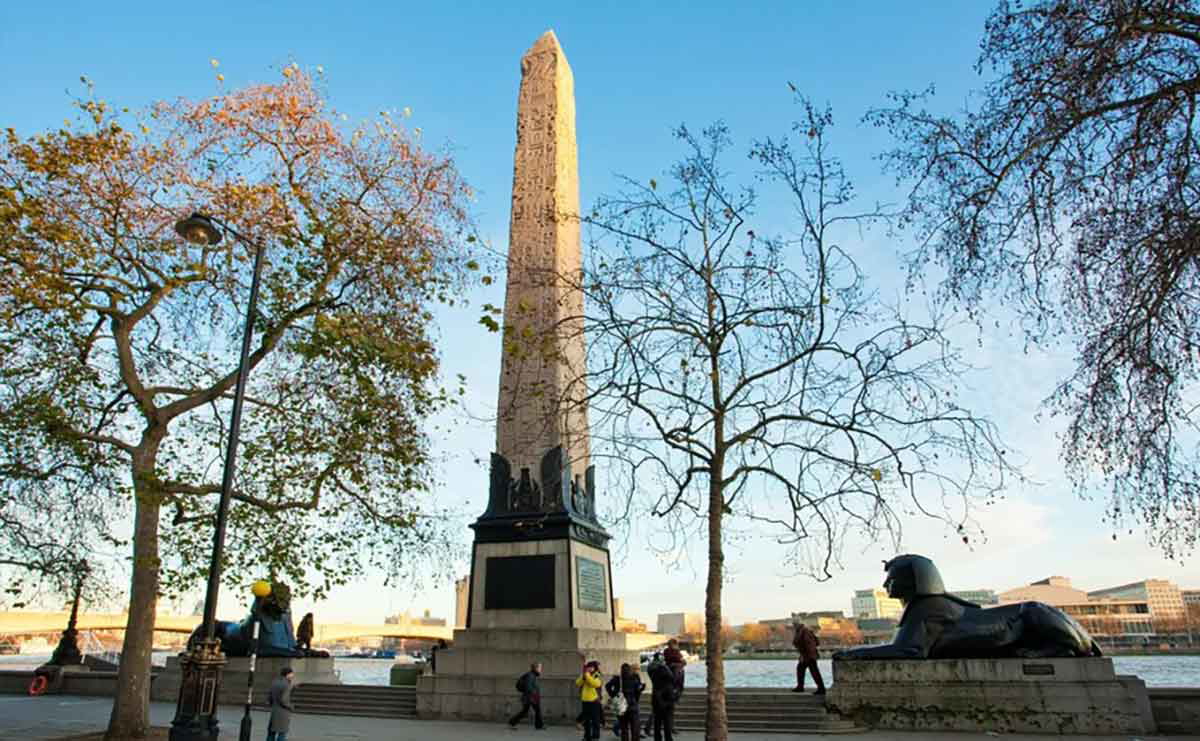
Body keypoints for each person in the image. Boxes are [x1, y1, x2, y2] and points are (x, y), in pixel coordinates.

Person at [606, 662, 645, 741]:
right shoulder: (634, 678)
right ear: (630, 670)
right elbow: (638, 691)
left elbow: (607, 686)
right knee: (635, 728)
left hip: (621, 706)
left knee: (624, 729)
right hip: (632, 705)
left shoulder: (617, 678)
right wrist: (640, 691)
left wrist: (613, 695)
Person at [647, 655, 677, 741]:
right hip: (666, 702)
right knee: (666, 723)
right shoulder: (666, 676)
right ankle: (668, 738)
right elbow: (672, 678)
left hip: (657, 702)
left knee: (658, 723)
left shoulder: (653, 674)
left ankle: (659, 738)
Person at [792, 621, 825, 695]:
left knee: (812, 671)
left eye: (794, 624)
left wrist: (806, 655)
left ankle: (820, 689)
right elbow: (815, 642)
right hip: (808, 654)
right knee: (804, 670)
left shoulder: (804, 631)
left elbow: (808, 644)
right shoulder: (802, 631)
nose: (793, 626)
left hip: (808, 655)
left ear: (797, 625)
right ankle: (802, 687)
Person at [509, 661, 545, 730]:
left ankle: (512, 723)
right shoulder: (531, 675)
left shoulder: (532, 675)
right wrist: (533, 694)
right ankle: (539, 726)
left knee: (526, 712)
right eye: (540, 667)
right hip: (530, 697)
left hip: (530, 697)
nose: (541, 669)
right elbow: (528, 687)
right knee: (536, 710)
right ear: (536, 668)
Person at [575, 660, 604, 740]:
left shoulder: (597, 675)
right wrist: (583, 677)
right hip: (585, 701)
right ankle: (587, 736)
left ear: (594, 668)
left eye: (591, 667)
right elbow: (577, 683)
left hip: (594, 701)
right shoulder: (585, 675)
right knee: (586, 721)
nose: (589, 668)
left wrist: (587, 675)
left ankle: (595, 736)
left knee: (595, 720)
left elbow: (595, 684)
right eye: (588, 667)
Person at [267, 666, 295, 741]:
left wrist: (272, 705)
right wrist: (290, 707)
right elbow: (284, 700)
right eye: (292, 674)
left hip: (274, 710)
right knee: (282, 733)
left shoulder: (275, 682)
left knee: (271, 733)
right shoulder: (287, 684)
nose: (293, 676)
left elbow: (269, 697)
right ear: (288, 674)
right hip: (283, 712)